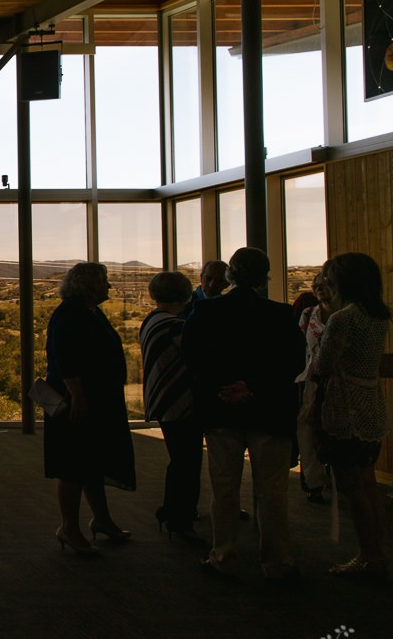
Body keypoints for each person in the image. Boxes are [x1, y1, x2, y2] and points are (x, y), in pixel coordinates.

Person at [183, 247, 304, 581]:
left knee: (224, 489)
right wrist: (252, 387)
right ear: (264, 276)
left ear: (230, 275)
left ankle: (222, 554)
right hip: (269, 411)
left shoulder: (205, 312)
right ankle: (277, 560)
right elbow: (292, 363)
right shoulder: (280, 315)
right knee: (272, 491)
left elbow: (194, 358)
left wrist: (226, 387)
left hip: (221, 410)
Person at [42, 262, 135, 556]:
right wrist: (78, 396)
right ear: (87, 285)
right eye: (103, 281)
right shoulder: (70, 314)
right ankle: (69, 528)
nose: (108, 286)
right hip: (77, 403)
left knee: (90, 462)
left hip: (92, 400)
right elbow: (66, 357)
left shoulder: (87, 312)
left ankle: (101, 520)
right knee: (72, 465)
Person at [310, 252, 390, 578]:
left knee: (353, 488)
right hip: (371, 404)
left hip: (345, 410)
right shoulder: (379, 316)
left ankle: (368, 555)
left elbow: (322, 366)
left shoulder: (343, 319)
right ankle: (376, 552)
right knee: (369, 486)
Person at [139, 271, 204, 546]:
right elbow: (197, 360)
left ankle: (172, 512)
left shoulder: (152, 321)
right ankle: (180, 518)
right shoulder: (176, 326)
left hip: (164, 399)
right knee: (187, 462)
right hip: (179, 403)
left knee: (180, 459)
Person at [294, 273, 336, 505]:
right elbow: (299, 346)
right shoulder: (309, 314)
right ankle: (314, 484)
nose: (319, 288)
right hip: (310, 381)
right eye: (316, 285)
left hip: (338, 382)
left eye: (324, 284)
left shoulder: (346, 315)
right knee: (307, 431)